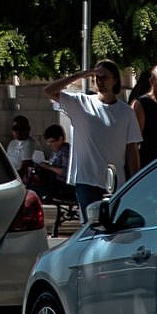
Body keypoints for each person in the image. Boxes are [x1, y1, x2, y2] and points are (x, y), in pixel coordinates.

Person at [50, 61, 141, 207]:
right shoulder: (80, 103)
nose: (100, 81)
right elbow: (49, 91)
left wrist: (136, 179)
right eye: (96, 78)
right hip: (86, 181)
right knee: (91, 226)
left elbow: (132, 149)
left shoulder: (126, 112)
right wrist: (80, 75)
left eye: (104, 77)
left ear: (115, 80)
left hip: (114, 182)